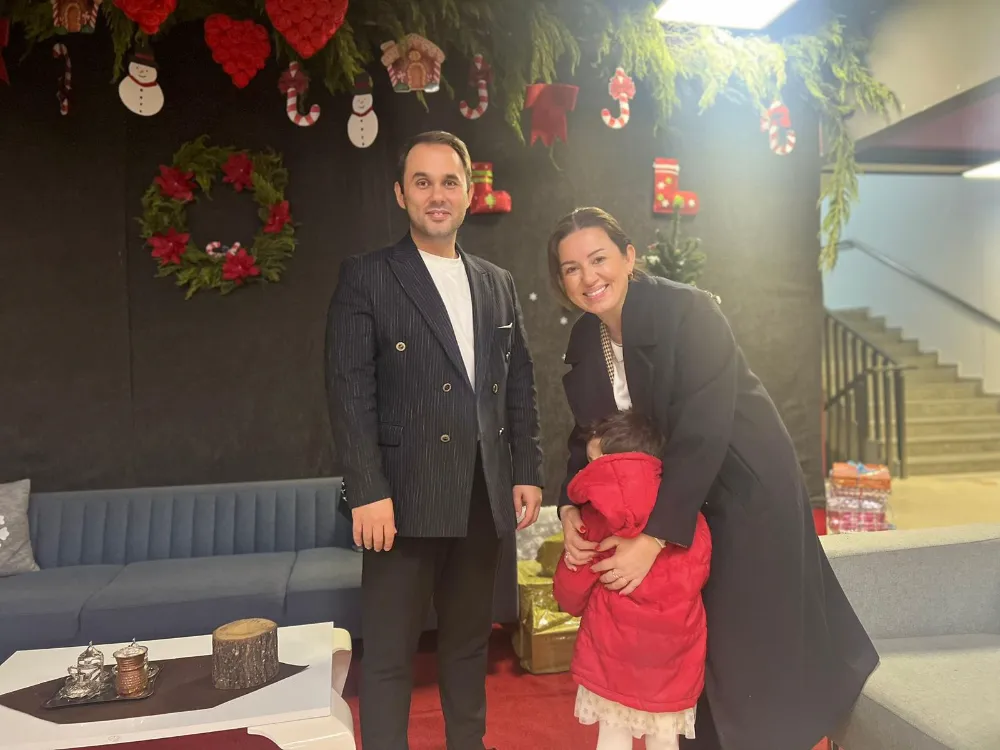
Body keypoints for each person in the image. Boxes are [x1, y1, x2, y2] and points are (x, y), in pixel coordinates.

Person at [548, 207, 880, 750]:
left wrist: (652, 539)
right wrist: (569, 506)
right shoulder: (588, 337)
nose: (589, 277)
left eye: (599, 259)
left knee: (746, 639)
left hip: (741, 486)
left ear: (629, 257)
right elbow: (587, 434)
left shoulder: (688, 311)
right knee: (689, 637)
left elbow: (702, 432)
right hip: (675, 496)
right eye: (571, 268)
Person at [326, 130, 544, 750]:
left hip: (481, 494)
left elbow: (519, 384)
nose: (437, 195)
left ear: (470, 193)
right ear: (401, 194)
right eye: (422, 182)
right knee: (389, 656)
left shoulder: (497, 282)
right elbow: (348, 392)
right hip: (399, 500)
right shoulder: (367, 276)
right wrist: (367, 490)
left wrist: (526, 470)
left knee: (469, 647)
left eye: (450, 182)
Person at [552, 410, 712, 750]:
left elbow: (571, 591)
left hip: (611, 660)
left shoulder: (595, 519)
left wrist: (568, 581)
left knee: (613, 737)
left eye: (592, 462)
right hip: (673, 662)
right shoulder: (682, 517)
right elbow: (699, 570)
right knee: (665, 740)